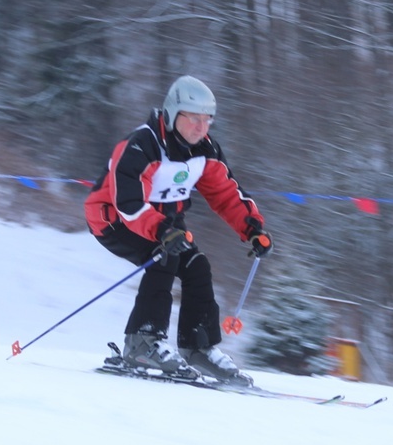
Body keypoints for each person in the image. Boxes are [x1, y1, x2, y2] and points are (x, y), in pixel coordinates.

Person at [84, 75, 273, 385]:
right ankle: (142, 343)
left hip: (163, 224)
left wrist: (252, 228)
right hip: (113, 219)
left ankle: (198, 347)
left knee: (197, 266)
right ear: (173, 115)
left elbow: (226, 194)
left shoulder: (206, 151)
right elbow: (128, 203)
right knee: (164, 257)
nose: (201, 128)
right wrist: (162, 230)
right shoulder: (142, 145)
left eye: (207, 120)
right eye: (193, 119)